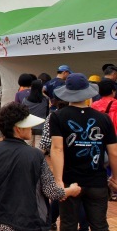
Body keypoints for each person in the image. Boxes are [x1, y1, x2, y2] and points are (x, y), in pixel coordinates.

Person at [0, 102, 81, 230]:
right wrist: (71, 190)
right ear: (18, 129)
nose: (31, 128)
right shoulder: (35, 155)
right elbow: (51, 191)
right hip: (29, 221)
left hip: (0, 220)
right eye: (28, 125)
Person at [50, 73, 117, 230]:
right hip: (97, 181)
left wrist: (58, 180)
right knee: (99, 224)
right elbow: (114, 152)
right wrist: (115, 177)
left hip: (70, 180)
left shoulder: (58, 116)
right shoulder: (103, 118)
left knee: (68, 224)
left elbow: (57, 148)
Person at [21, 80, 49, 147]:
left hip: (28, 126)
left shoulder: (25, 100)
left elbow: (22, 112)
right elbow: (47, 112)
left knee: (27, 146)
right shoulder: (45, 100)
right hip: (41, 126)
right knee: (39, 148)